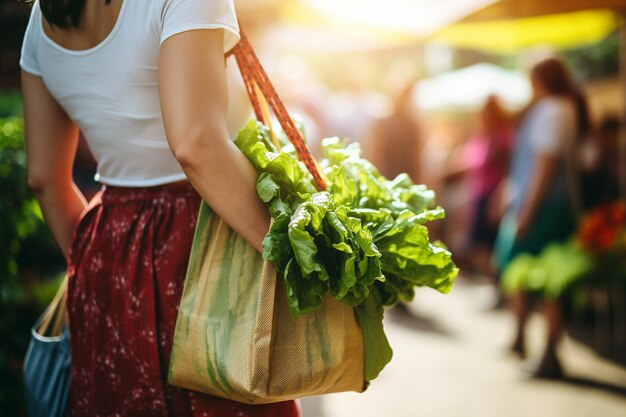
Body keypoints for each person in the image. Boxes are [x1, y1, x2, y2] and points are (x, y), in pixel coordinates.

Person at [20, 0, 299, 415]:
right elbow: (196, 147)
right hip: (203, 234)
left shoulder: (43, 16)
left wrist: (99, 267)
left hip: (106, 246)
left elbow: (43, 177)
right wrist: (291, 258)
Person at [493, 57, 590, 378]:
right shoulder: (568, 108)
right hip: (558, 206)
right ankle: (536, 343)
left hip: (543, 206)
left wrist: (527, 211)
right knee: (549, 278)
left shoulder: (550, 111)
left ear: (538, 81)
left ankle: (539, 346)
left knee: (525, 272)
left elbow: (544, 165)